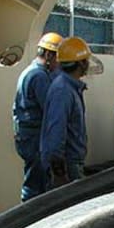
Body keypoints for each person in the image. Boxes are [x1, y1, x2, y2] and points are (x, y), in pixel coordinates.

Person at [13, 32, 62, 201]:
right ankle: (29, 220)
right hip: (34, 137)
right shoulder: (39, 76)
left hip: (28, 135)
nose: (59, 64)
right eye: (58, 58)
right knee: (35, 185)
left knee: (36, 181)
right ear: (48, 55)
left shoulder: (34, 72)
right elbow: (50, 107)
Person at [41, 37, 94, 187]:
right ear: (81, 63)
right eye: (86, 60)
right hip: (67, 168)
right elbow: (55, 135)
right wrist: (59, 174)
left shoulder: (69, 87)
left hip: (71, 165)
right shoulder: (63, 91)